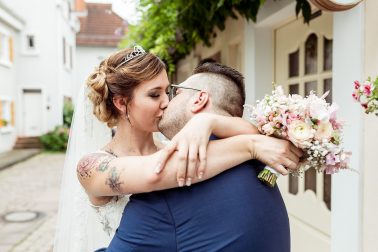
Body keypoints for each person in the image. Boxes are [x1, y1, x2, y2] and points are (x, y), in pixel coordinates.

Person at [53, 46, 301, 252]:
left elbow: (249, 129)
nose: (166, 102)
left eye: (168, 91)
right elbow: (155, 172)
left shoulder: (177, 144)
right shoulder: (93, 167)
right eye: (154, 95)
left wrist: (209, 120)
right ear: (121, 103)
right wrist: (250, 146)